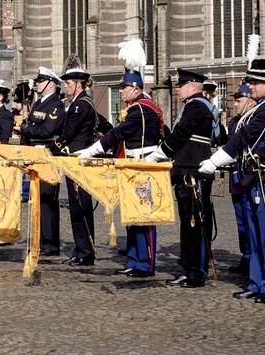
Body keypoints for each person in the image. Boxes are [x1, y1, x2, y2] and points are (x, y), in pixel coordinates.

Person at [78, 39, 163, 277]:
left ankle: (145, 264)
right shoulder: (138, 107)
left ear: (136, 89)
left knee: (143, 218)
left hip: (142, 166)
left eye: (125, 87)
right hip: (131, 165)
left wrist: (91, 150)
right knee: (132, 216)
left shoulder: (141, 109)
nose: (122, 91)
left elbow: (117, 134)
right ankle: (135, 260)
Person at [199, 55, 265, 303]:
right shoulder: (257, 108)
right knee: (255, 236)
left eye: (257, 83)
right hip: (250, 178)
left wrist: (215, 161)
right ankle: (257, 283)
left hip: (261, 179)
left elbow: (243, 139)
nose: (252, 86)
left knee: (263, 235)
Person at [144, 69, 215, 288]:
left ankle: (197, 272)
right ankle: (188, 268)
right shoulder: (191, 106)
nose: (178, 89)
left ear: (193, 86)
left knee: (195, 224)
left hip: (193, 173)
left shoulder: (197, 106)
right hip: (185, 172)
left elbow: (180, 134)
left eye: (181, 85)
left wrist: (156, 155)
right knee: (187, 224)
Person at [54, 60, 103, 266]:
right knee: (76, 206)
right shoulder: (78, 103)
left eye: (69, 83)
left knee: (80, 206)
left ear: (79, 84)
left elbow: (68, 133)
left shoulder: (81, 105)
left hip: (78, 160)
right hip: (74, 158)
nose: (66, 87)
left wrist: (53, 146)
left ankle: (86, 251)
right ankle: (81, 248)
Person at [20, 67, 65, 256]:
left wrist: (26, 129)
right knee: (36, 199)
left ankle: (50, 243)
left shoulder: (56, 105)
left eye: (40, 81)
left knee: (47, 200)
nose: (36, 84)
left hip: (48, 154)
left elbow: (47, 130)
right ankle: (39, 238)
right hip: (35, 155)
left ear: (51, 84)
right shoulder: (38, 104)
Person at [225, 79, 255, 275]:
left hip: (249, 176)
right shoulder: (234, 122)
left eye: (238, 100)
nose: (234, 104)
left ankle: (255, 260)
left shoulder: (253, 120)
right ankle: (245, 256)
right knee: (241, 222)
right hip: (236, 177)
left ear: (250, 101)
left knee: (252, 220)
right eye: (234, 100)